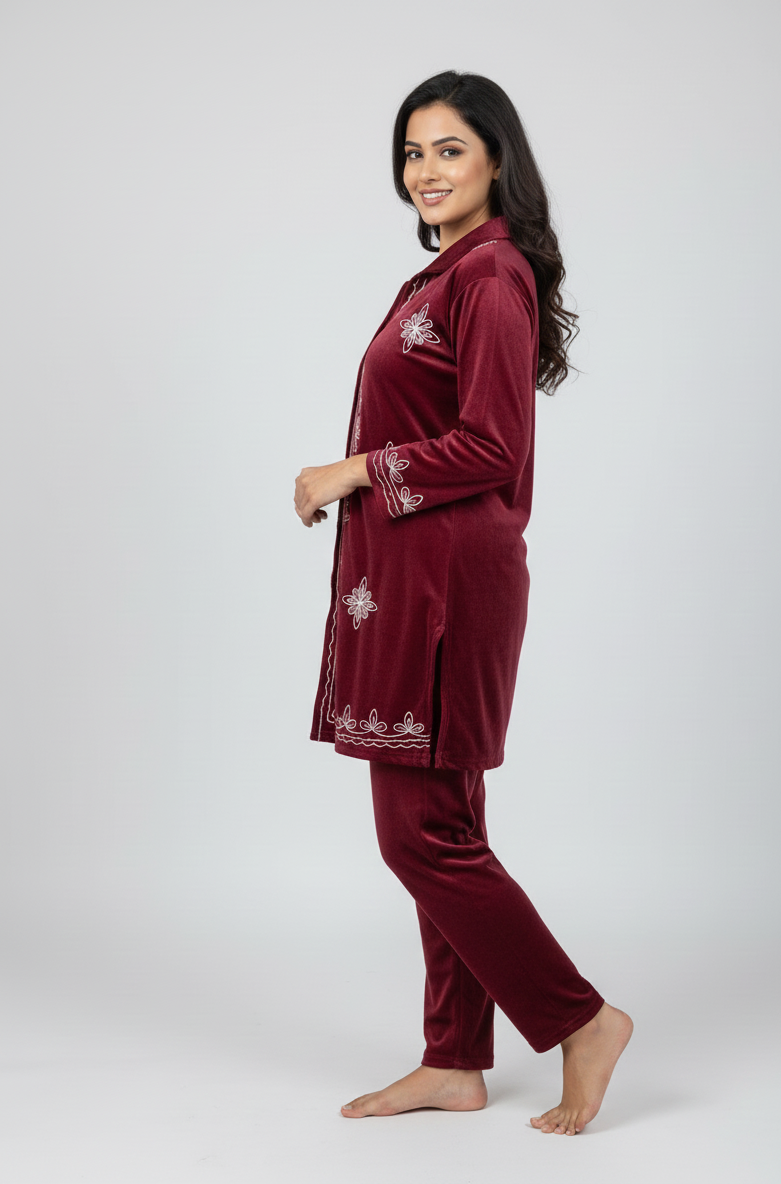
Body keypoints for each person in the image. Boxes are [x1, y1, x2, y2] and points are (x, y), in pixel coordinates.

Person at [294, 69, 632, 1136]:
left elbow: (492, 445)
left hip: (445, 587)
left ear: (496, 160)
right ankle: (453, 1058)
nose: (425, 171)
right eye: (412, 152)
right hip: (413, 581)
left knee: (418, 837)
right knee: (444, 823)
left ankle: (581, 1019)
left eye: (449, 149)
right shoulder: (445, 275)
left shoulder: (489, 275)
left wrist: (353, 469)